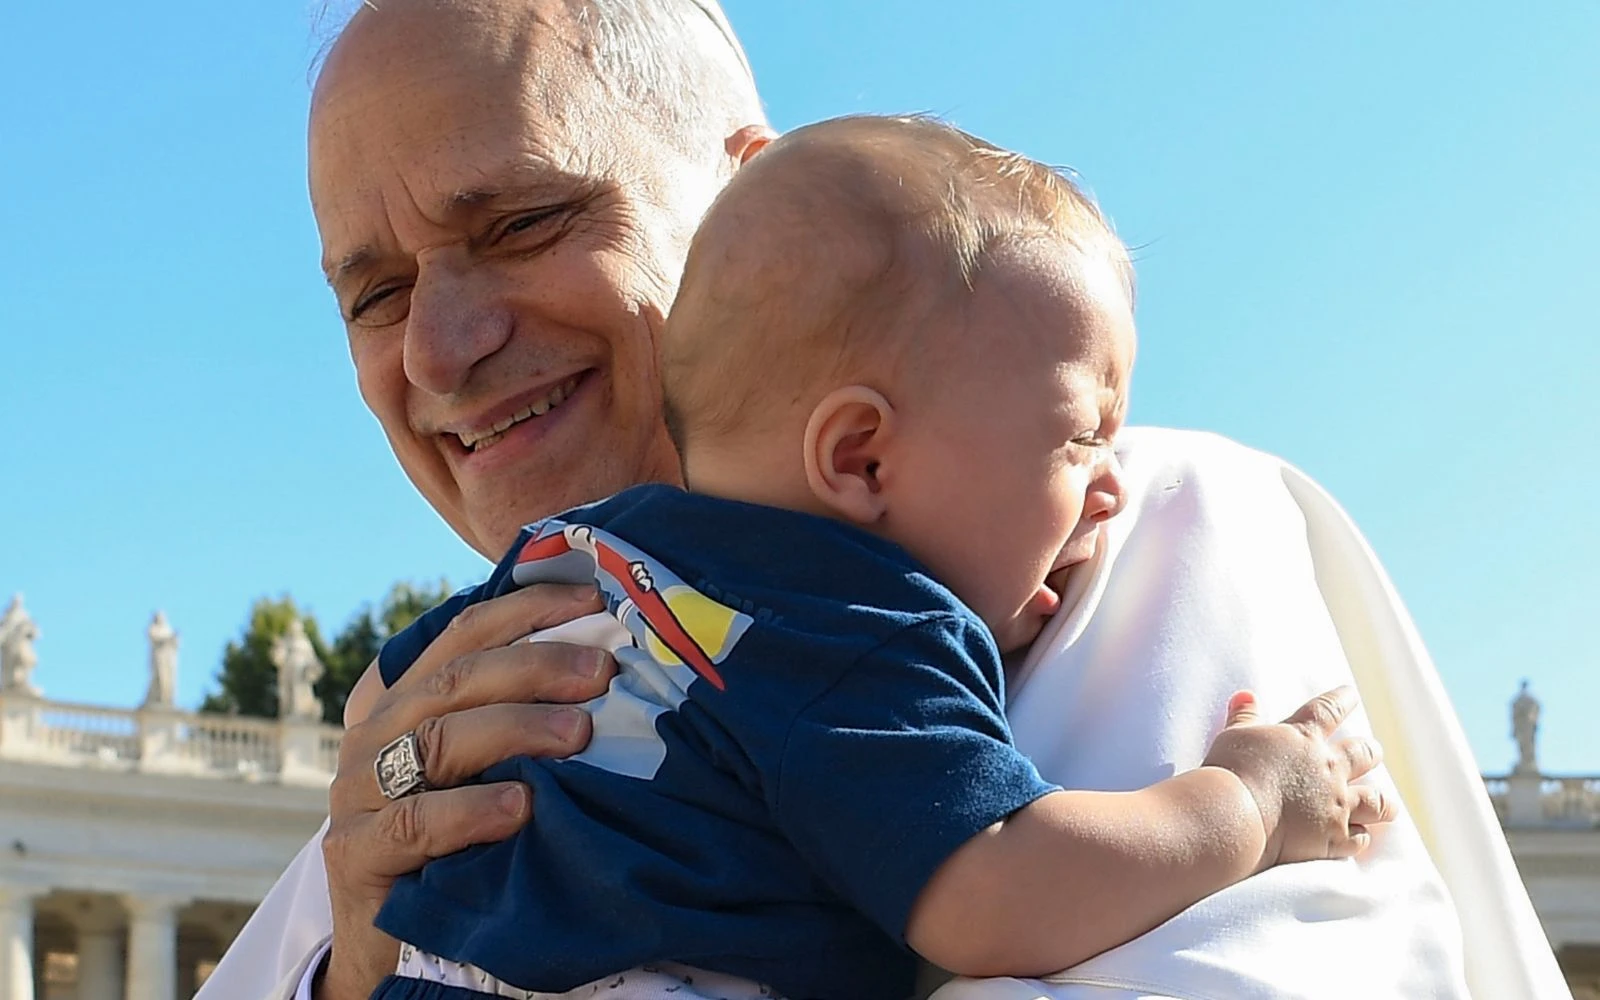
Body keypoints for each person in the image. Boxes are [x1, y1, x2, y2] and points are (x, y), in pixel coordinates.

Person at [196, 1, 1568, 999]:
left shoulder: (1126, 519)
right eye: (375, 293)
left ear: (744, 194)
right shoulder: (424, 737)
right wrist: (355, 959)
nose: (438, 349)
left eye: (521, 223)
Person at [360, 114, 1394, 1000]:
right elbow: (998, 892)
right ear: (859, 456)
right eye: (1082, 436)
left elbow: (376, 706)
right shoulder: (865, 626)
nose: (1112, 485)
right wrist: (1252, 802)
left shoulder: (588, 546)